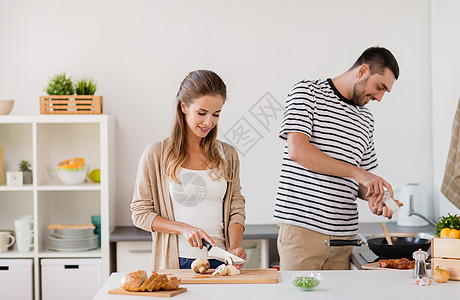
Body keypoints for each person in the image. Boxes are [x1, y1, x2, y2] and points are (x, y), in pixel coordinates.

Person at [274, 46, 402, 270]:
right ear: (363, 71)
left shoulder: (366, 119)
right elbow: (298, 151)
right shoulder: (307, 92)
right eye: (379, 87)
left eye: (385, 92)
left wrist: (374, 196)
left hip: (344, 238)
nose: (379, 98)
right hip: (303, 232)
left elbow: (362, 181)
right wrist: (359, 173)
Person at [131, 70, 247, 272]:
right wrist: (183, 228)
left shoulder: (227, 155)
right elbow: (140, 213)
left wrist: (235, 246)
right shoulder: (155, 155)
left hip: (222, 263)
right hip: (178, 262)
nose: (209, 122)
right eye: (202, 113)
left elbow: (236, 207)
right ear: (183, 106)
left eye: (216, 114)